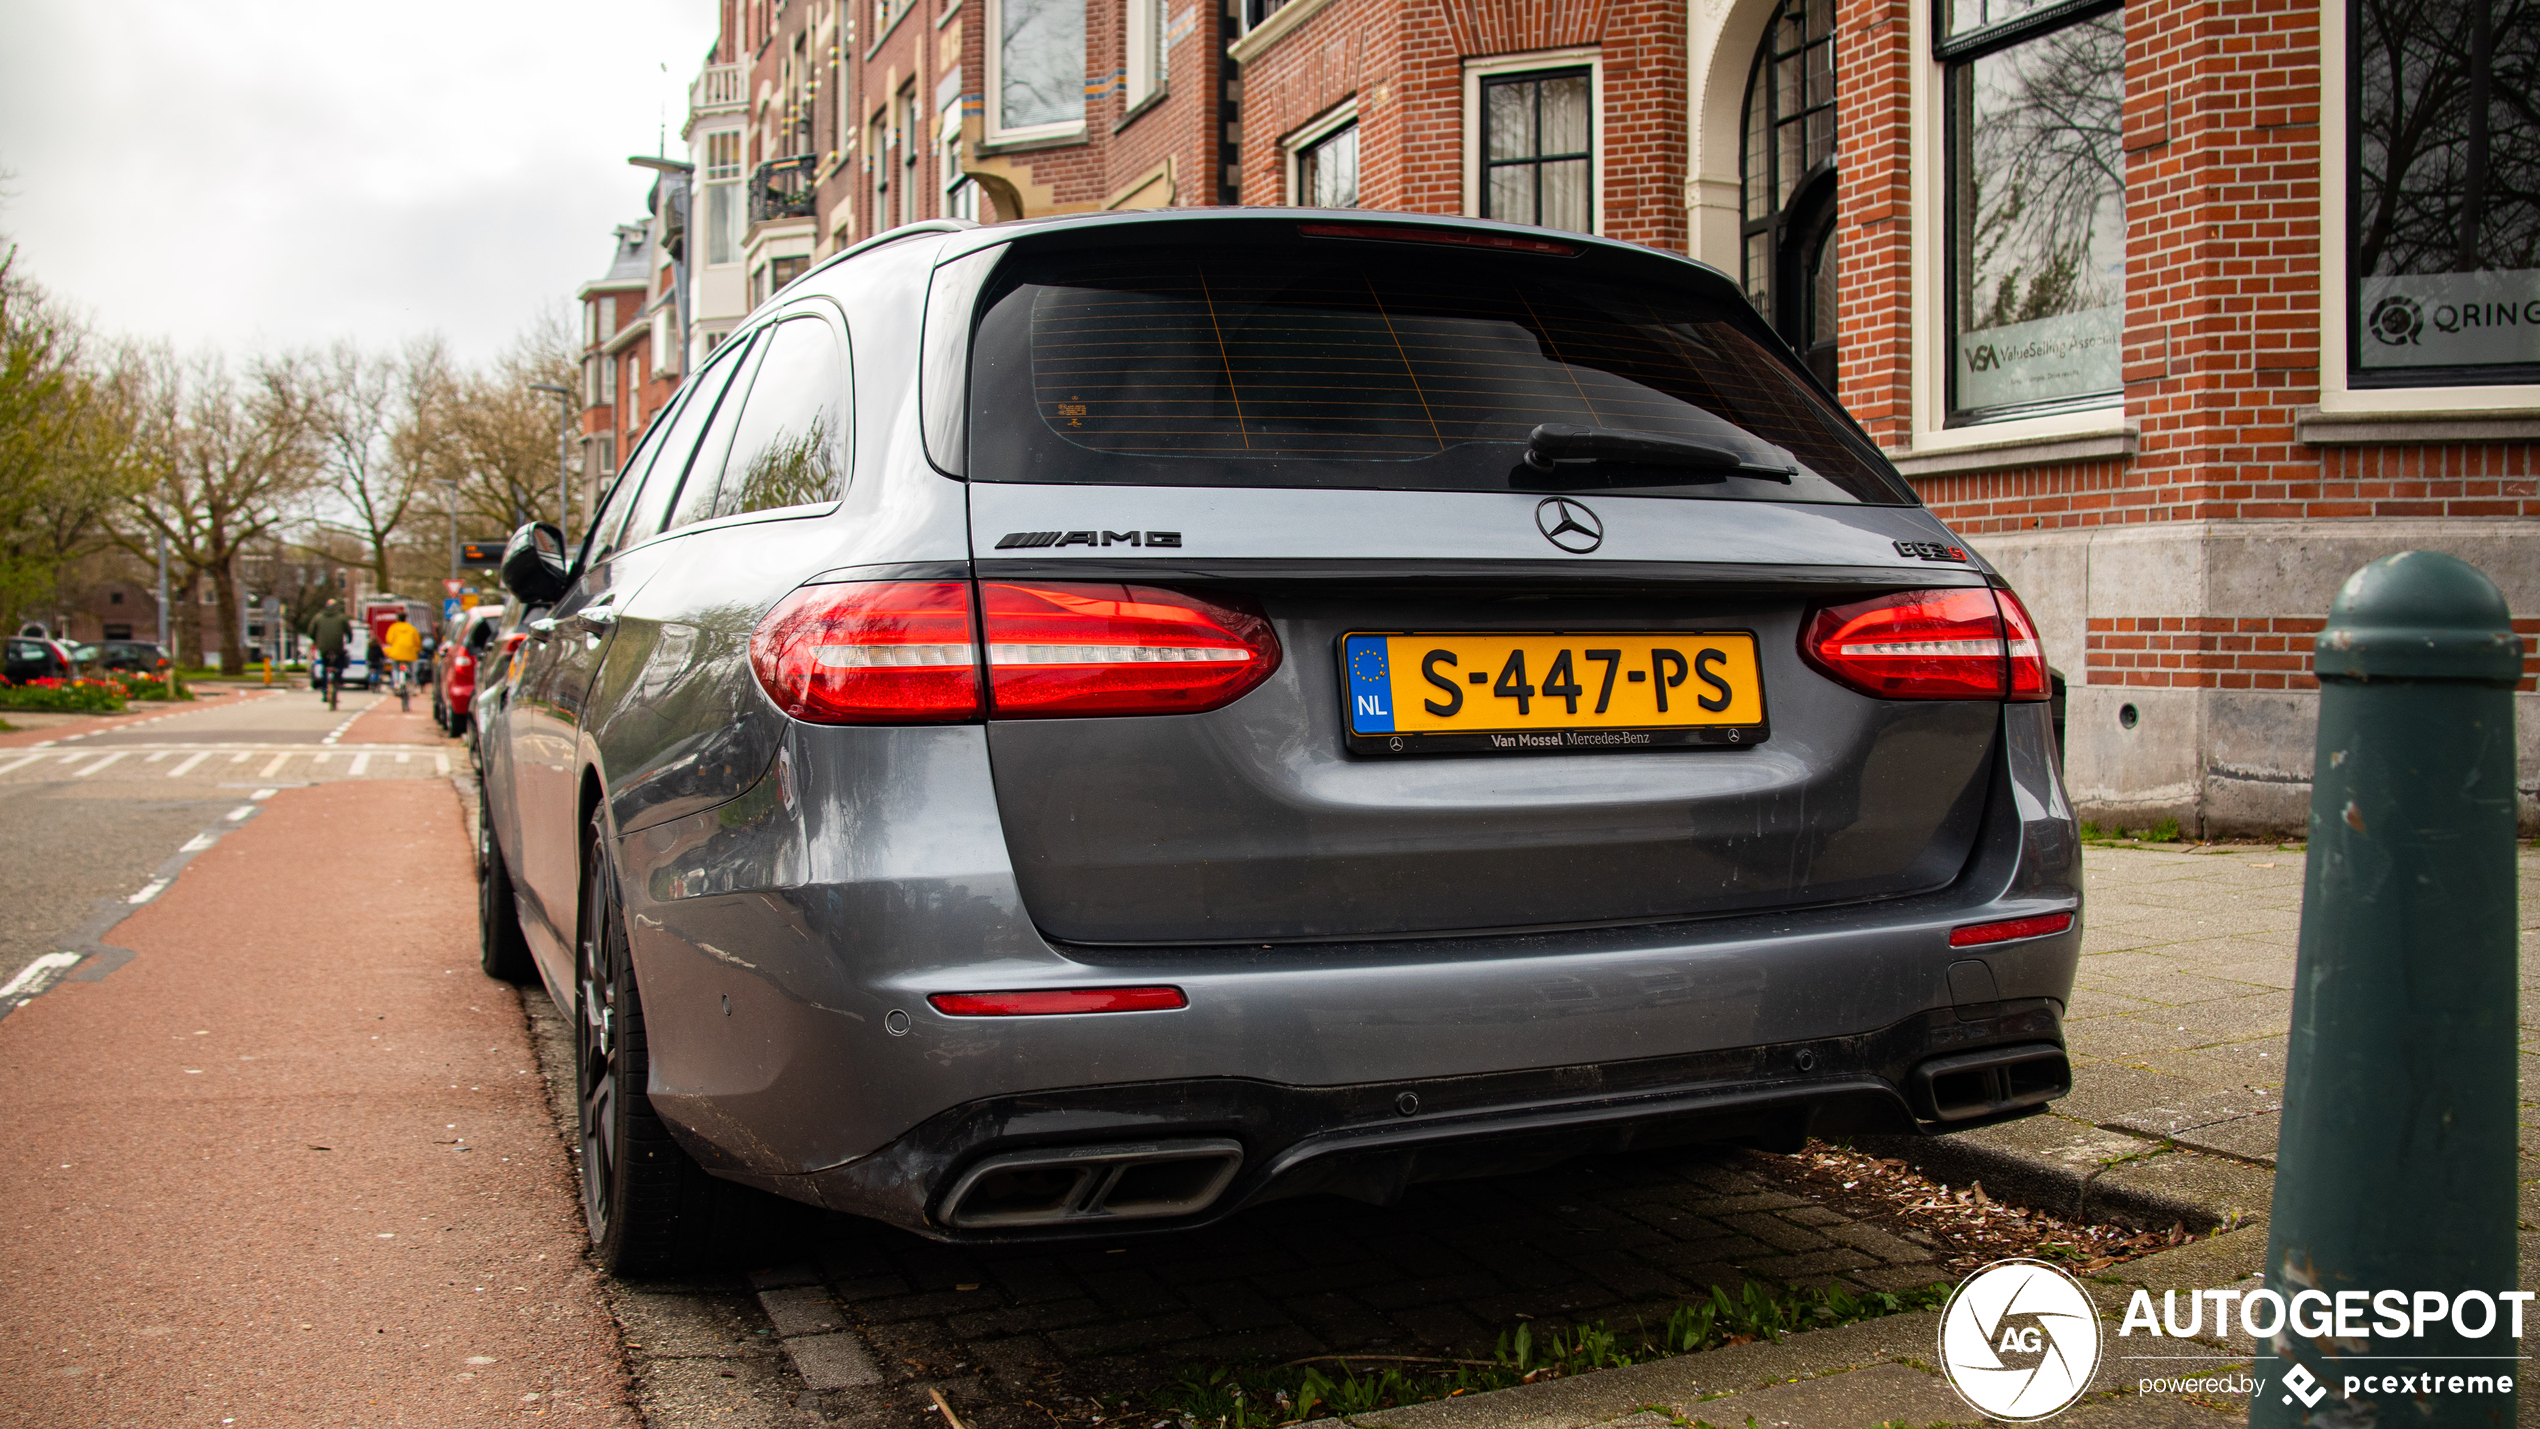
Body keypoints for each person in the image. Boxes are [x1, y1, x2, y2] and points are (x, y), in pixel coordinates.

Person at [309, 599, 352, 702]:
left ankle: (324, 691)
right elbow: (349, 631)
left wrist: (316, 640)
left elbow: (311, 632)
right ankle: (338, 680)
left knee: (325, 667)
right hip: (338, 647)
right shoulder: (342, 617)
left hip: (323, 648)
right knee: (341, 662)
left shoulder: (318, 617)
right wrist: (350, 640)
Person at [383, 615, 422, 710]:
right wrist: (419, 649)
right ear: (406, 619)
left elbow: (389, 640)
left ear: (397, 619)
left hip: (397, 652)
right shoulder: (411, 628)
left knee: (396, 668)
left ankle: (396, 683)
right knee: (412, 669)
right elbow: (417, 641)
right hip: (409, 653)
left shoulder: (393, 627)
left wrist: (394, 644)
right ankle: (412, 685)